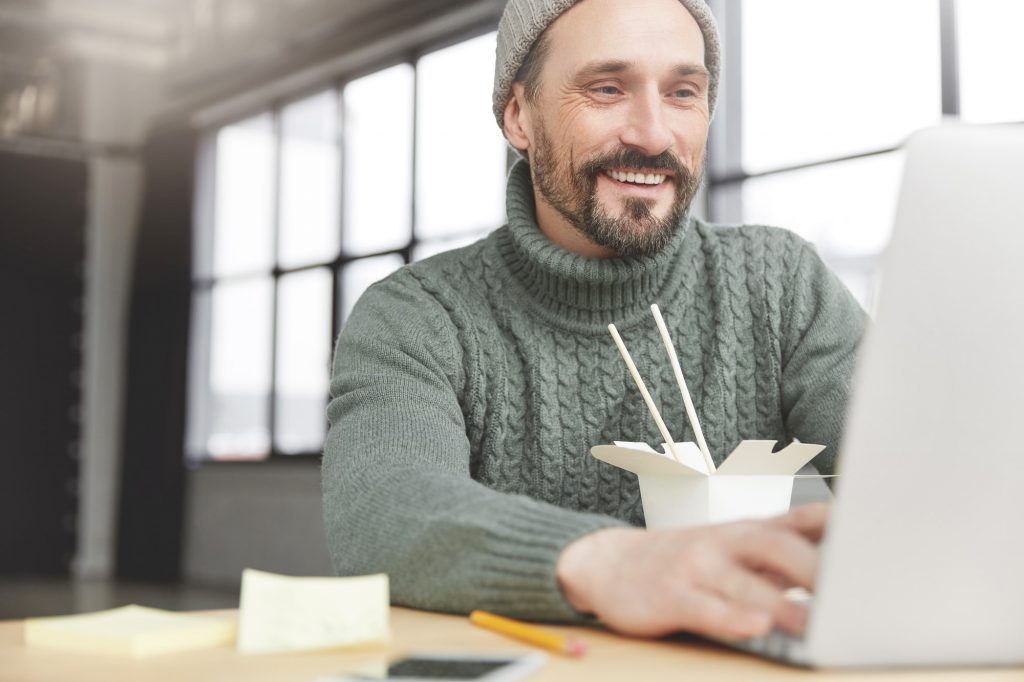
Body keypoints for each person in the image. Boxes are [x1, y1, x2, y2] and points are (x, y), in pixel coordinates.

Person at [322, 0, 866, 642]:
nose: (654, 134)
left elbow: (921, 476)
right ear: (519, 115)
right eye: (607, 89)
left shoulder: (781, 282)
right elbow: (379, 508)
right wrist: (617, 563)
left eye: (683, 91)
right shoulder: (419, 315)